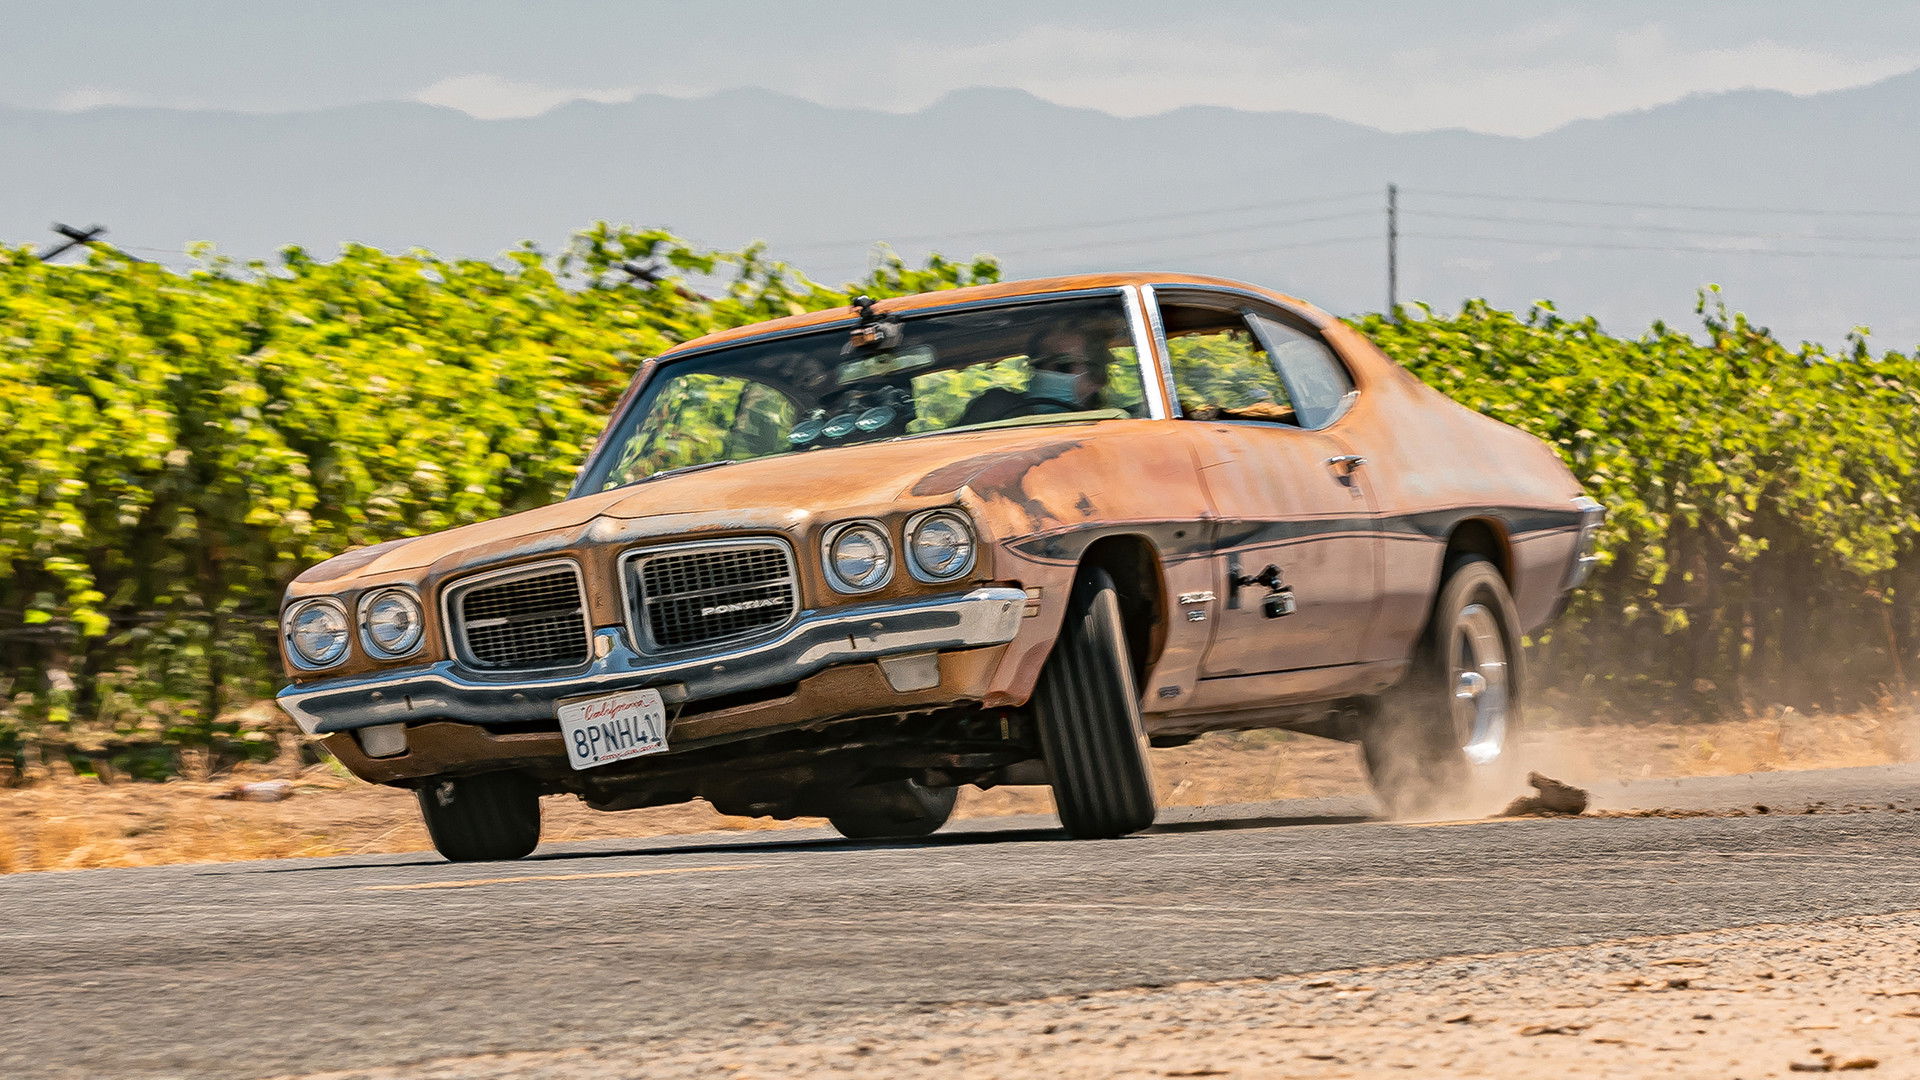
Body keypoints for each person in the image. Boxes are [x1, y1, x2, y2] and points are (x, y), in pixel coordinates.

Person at [955, 324, 1112, 427]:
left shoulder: (1116, 427)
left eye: (1063, 365)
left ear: (1097, 379)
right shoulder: (995, 410)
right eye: (1038, 364)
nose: (1045, 372)